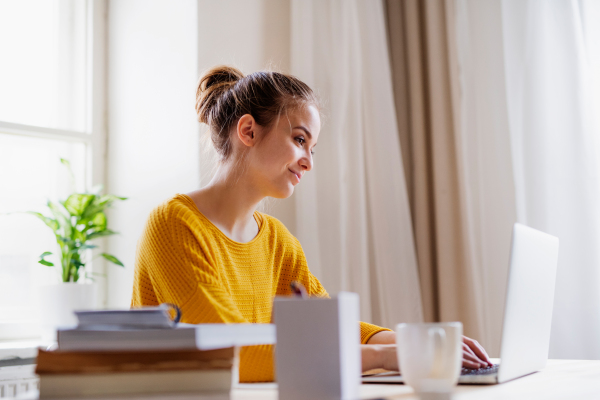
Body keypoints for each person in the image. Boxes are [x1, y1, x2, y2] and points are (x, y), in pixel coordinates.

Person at [131, 66, 491, 382]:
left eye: (312, 147)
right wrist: (386, 358)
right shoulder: (174, 225)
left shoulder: (276, 241)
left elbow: (326, 327)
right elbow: (227, 352)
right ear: (248, 132)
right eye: (299, 140)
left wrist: (417, 342)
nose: (308, 162)